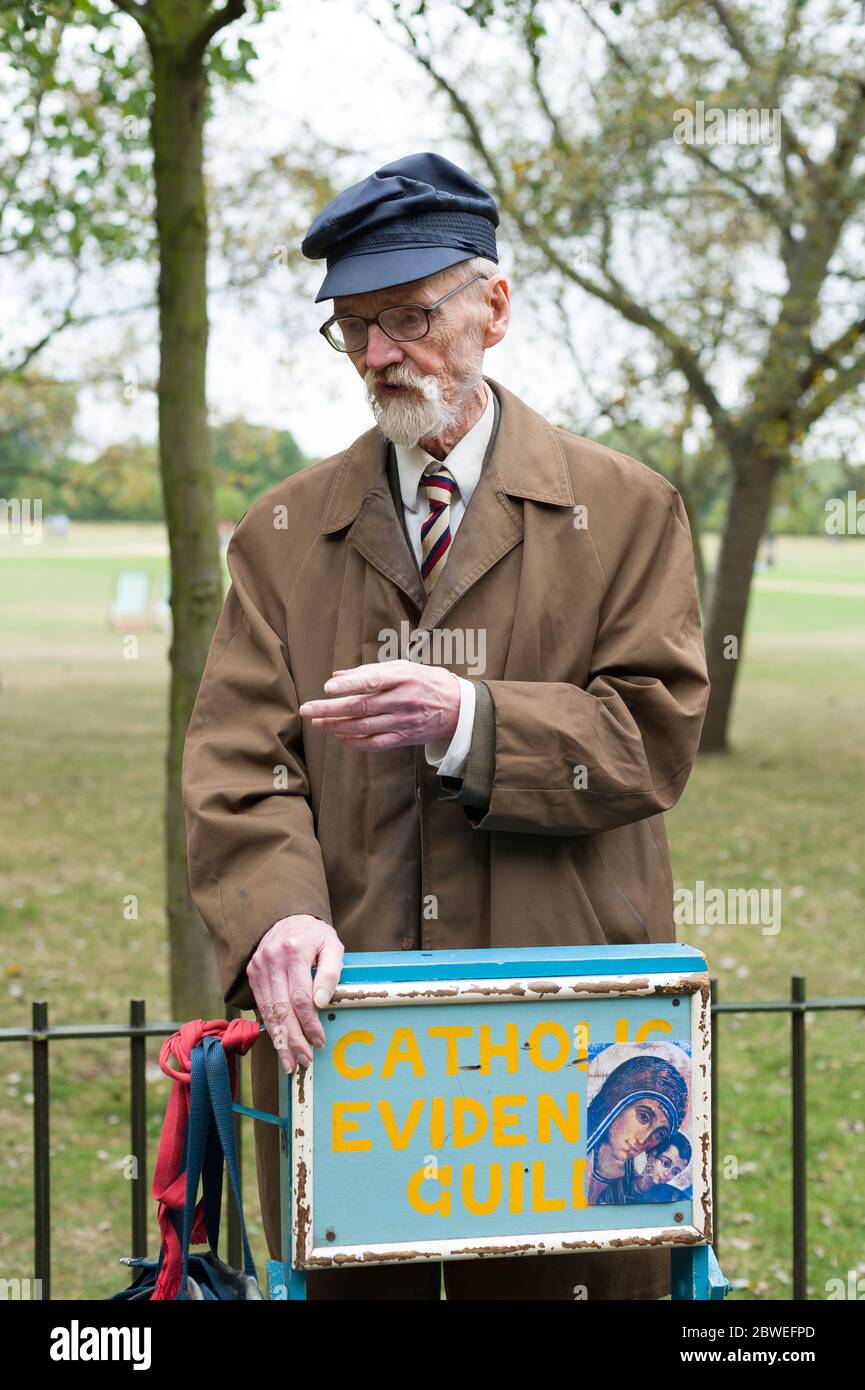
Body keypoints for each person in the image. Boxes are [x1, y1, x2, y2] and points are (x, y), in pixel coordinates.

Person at [181, 151, 710, 1300]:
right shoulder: (280, 530)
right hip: (354, 1046)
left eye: (410, 317)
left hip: (565, 1047)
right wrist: (275, 915)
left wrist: (472, 719)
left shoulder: (624, 509)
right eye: (354, 327)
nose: (379, 356)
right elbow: (240, 762)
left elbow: (650, 735)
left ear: (493, 310)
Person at [584, 1054, 688, 1206]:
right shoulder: (568, 1154)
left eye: (659, 1134)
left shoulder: (637, 1188)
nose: (643, 1140)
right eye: (643, 1117)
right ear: (617, 1102)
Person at [630, 1132, 693, 1203]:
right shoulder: (627, 1171)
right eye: (665, 1163)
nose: (667, 1174)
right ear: (653, 1154)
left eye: (674, 1172)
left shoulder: (669, 1196)